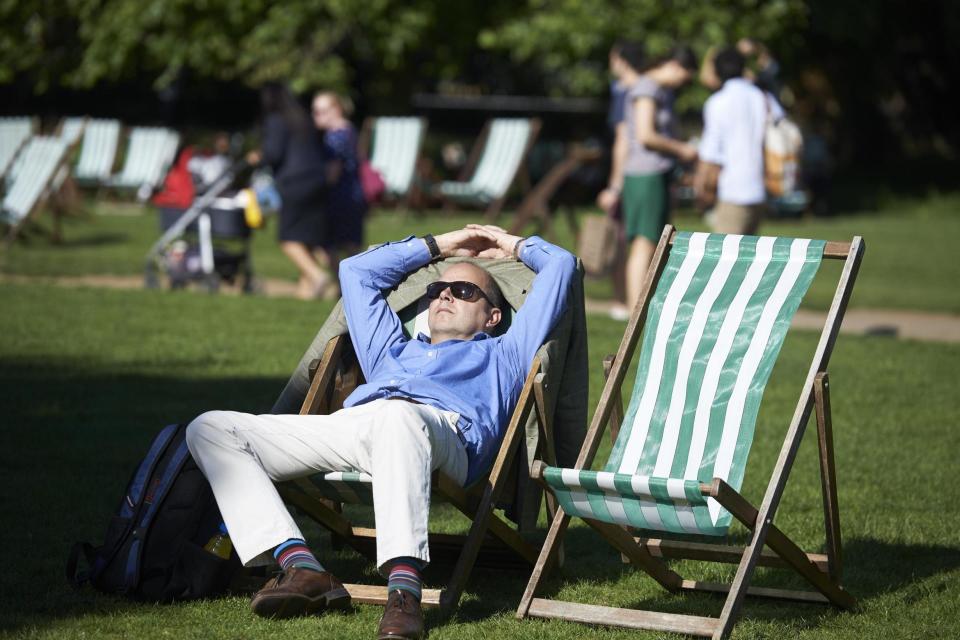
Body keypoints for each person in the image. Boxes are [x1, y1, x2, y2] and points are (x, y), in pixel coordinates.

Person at [185, 224, 577, 640]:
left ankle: (404, 591)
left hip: (445, 435)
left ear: (492, 317)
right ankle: (300, 565)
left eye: (464, 292)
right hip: (357, 427)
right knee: (211, 428)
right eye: (437, 290)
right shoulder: (390, 349)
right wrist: (439, 246)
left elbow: (563, 266)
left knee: (397, 417)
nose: (444, 295)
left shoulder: (505, 353)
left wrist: (510, 244)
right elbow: (356, 272)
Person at [597, 44, 698, 309]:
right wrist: (682, 149)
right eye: (685, 77)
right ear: (675, 66)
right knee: (644, 243)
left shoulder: (652, 89)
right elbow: (645, 135)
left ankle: (641, 307)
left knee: (651, 244)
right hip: (646, 174)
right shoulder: (647, 88)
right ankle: (635, 310)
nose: (682, 84)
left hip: (652, 175)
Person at [250, 83, 334, 300]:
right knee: (307, 237)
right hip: (318, 180)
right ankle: (306, 291)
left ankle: (316, 276)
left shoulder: (277, 120)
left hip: (294, 182)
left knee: (288, 238)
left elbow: (274, 153)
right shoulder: (304, 119)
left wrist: (258, 157)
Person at [694, 46, 781, 235]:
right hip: (760, 188)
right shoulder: (762, 96)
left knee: (725, 259)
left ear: (716, 72)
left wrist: (702, 188)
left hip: (732, 190)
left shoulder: (717, 102)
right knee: (746, 257)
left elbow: (711, 153)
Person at [311, 91, 367, 276]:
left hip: (339, 197)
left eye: (322, 111)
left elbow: (332, 172)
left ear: (336, 110)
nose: (316, 116)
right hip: (353, 195)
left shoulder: (335, 136)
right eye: (315, 111)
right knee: (351, 246)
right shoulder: (349, 130)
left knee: (326, 243)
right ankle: (350, 284)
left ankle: (341, 283)